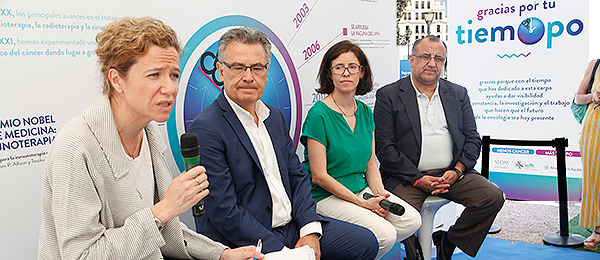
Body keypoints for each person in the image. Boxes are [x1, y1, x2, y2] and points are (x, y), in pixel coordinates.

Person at [38, 17, 263, 260]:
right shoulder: (75, 148)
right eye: (155, 75)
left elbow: (166, 232)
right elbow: (82, 255)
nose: (170, 88)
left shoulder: (149, 134)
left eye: (174, 75)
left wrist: (222, 254)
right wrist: (162, 211)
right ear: (116, 80)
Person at [188, 27, 378, 260]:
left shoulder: (274, 116)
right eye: (238, 67)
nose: (248, 77)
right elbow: (223, 210)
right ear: (220, 70)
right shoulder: (206, 127)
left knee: (365, 243)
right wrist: (283, 253)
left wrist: (309, 229)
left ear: (267, 72)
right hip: (248, 238)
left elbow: (297, 177)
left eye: (257, 68)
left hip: (293, 226)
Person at [373, 35, 504, 260]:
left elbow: (472, 138)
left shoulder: (458, 93)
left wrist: (458, 171)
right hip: (407, 177)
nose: (432, 63)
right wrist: (418, 179)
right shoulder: (389, 95)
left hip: (452, 173)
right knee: (402, 214)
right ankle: (414, 253)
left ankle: (449, 240)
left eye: (439, 58)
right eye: (425, 56)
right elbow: (385, 149)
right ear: (411, 60)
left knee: (492, 197)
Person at [300, 40, 421, 259]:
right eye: (339, 67)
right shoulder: (319, 114)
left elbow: (370, 162)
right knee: (384, 234)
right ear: (330, 74)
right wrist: (363, 204)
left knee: (411, 220)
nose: (346, 73)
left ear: (361, 73)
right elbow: (319, 176)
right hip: (324, 196)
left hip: (359, 188)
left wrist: (380, 195)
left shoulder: (365, 111)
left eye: (352, 67)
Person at [575, 59, 600, 251]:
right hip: (594, 128)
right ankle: (598, 229)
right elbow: (578, 98)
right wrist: (594, 96)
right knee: (594, 179)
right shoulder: (596, 65)